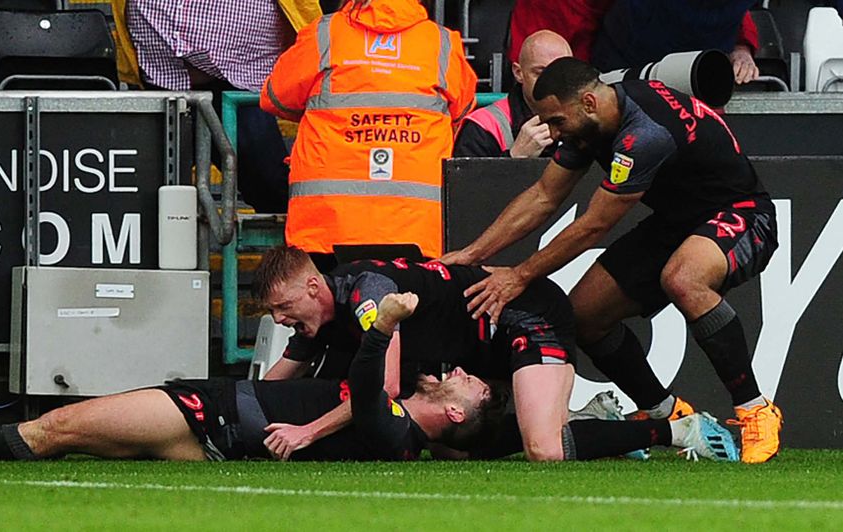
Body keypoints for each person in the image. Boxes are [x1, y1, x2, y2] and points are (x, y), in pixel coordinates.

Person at [442, 57, 782, 463]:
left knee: (684, 278)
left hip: (742, 213)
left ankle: (755, 410)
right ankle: (666, 412)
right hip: (677, 222)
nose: (553, 134)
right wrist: (473, 253)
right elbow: (543, 196)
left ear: (588, 102)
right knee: (585, 316)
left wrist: (519, 275)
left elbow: (594, 226)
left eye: (556, 122)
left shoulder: (646, 134)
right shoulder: (589, 121)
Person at [254, 246, 738, 462]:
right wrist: (237, 422)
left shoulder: (368, 293)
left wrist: (306, 432)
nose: (279, 319)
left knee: (545, 450)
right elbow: (271, 386)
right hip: (479, 347)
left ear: (313, 287)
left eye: (283, 307)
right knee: (450, 445)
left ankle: (679, 430)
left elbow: (385, 391)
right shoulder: (318, 316)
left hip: (525, 316)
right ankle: (590, 421)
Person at [0, 295, 495, 462]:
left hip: (211, 417)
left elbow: (367, 388)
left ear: (455, 414)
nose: (465, 372)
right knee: (68, 434)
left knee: (60, 427)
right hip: (216, 424)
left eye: (476, 386)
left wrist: (383, 326)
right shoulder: (398, 427)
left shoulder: (397, 434)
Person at [261, 0, 477, 266]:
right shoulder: (441, 43)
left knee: (330, 293)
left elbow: (275, 97)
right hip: (416, 227)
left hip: (328, 226)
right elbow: (463, 110)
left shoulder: (324, 34)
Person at [126, 0, 298, 213]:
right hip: (159, 80)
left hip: (241, 83)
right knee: (140, 191)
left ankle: (294, 233)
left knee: (272, 186)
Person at [453, 31, 572, 158]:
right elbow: (466, 171)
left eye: (562, 74)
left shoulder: (584, 118)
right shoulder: (484, 125)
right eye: (540, 73)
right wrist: (515, 156)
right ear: (518, 73)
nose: (552, 83)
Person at [590, 1, 761, 85]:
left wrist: (741, 47)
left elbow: (738, 13)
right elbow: (585, 8)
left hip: (699, 79)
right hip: (622, 69)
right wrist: (582, 72)